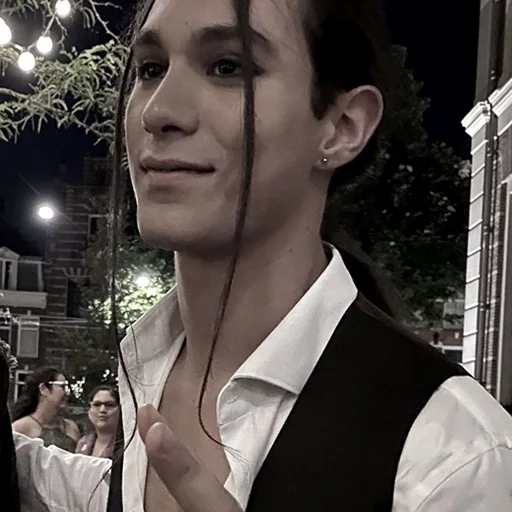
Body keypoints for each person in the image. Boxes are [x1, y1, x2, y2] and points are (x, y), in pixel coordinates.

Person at [6, 0, 512, 510]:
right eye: (151, 69)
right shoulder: (149, 366)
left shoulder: (455, 458)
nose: (159, 111)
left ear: (342, 126)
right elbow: (104, 492)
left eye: (228, 67)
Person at [11, 367, 80, 453]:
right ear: (43, 389)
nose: (68, 393)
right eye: (62, 387)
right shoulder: (20, 429)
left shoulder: (71, 428)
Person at [76, 386, 119, 459]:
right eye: (97, 405)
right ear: (89, 410)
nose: (102, 410)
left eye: (110, 405)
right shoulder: (82, 443)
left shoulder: (127, 444)